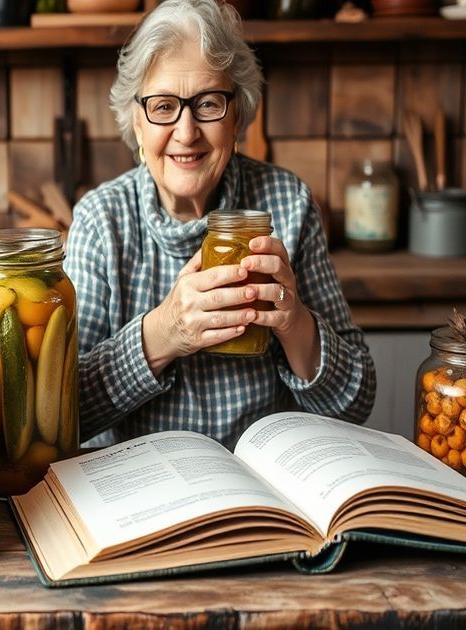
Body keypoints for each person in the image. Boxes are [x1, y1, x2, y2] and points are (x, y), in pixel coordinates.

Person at [67, 0, 376, 448]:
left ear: (237, 117)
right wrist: (165, 332)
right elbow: (61, 417)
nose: (187, 131)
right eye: (163, 106)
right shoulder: (101, 222)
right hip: (139, 492)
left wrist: (295, 324)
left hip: (264, 491)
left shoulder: (286, 204)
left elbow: (357, 402)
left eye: (208, 103)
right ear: (137, 121)